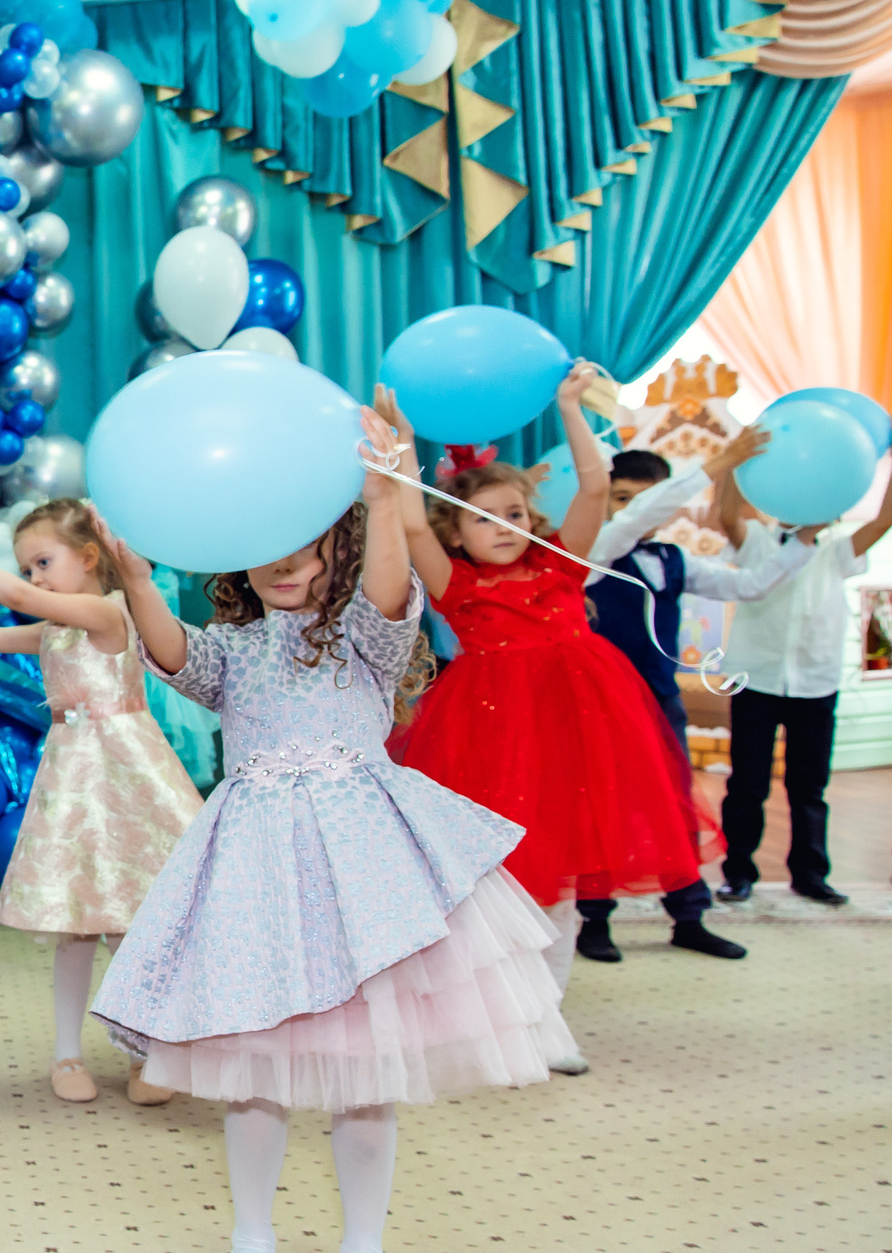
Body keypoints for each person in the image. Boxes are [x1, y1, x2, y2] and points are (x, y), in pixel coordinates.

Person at [92, 409, 575, 1253]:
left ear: (333, 543)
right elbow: (176, 657)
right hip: (257, 869)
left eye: (301, 544)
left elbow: (395, 589)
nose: (282, 563)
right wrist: (140, 583)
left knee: (365, 1076)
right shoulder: (235, 646)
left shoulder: (363, 631)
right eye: (262, 549)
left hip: (364, 869)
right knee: (255, 1071)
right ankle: (253, 1244)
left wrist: (387, 496)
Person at [381, 371, 714, 998]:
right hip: (489, 734)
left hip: (575, 726)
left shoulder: (562, 567)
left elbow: (594, 485)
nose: (504, 527)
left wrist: (569, 408)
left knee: (561, 879)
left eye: (513, 514)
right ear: (457, 535)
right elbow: (414, 528)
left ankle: (550, 1011)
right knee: (498, 877)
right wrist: (401, 445)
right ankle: (499, 1002)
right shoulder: (457, 584)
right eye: (483, 519)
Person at [0, 499, 203, 1104]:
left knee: (131, 926)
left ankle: (151, 1051)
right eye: (27, 567)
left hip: (126, 779)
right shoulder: (57, 627)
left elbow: (27, 602)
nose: (34, 578)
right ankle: (67, 1056)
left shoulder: (106, 610)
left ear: (89, 558)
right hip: (74, 777)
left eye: (42, 562)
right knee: (76, 926)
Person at [575, 433, 807, 955]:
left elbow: (749, 585)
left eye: (646, 497)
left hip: (659, 702)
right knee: (601, 810)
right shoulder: (591, 553)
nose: (635, 510)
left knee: (677, 807)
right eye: (621, 497)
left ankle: (689, 917)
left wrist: (804, 543)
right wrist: (719, 465)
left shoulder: (673, 560)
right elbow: (631, 522)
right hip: (600, 706)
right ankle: (594, 920)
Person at [713, 461, 892, 905]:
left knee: (809, 786)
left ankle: (810, 874)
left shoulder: (838, 549)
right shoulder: (755, 541)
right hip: (757, 680)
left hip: (816, 682)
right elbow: (727, 514)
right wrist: (735, 460)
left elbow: (885, 517)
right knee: (748, 783)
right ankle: (738, 872)